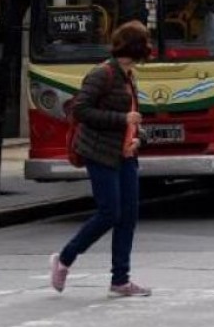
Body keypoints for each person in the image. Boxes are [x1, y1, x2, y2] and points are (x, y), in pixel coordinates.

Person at [49, 20, 153, 298]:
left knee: (128, 217)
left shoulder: (129, 75)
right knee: (109, 213)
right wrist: (122, 119)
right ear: (135, 47)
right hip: (100, 153)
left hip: (126, 154)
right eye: (145, 43)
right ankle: (64, 259)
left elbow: (132, 116)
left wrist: (138, 136)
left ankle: (120, 280)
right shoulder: (102, 73)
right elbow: (80, 110)